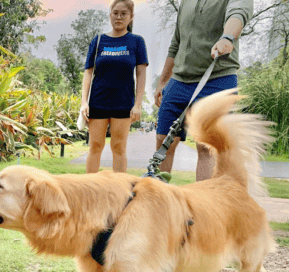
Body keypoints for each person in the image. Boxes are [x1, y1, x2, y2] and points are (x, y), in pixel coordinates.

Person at [154, 0, 253, 181]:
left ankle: (204, 206)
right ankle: (159, 201)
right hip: (179, 80)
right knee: (163, 140)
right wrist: (162, 82)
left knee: (207, 147)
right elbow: (176, 43)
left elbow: (238, 13)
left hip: (217, 78)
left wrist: (227, 37)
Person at [80, 0, 148, 173]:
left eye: (124, 13)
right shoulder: (99, 40)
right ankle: (90, 189)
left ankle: (119, 192)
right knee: (95, 146)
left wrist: (138, 104)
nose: (119, 17)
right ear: (110, 15)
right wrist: (84, 102)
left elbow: (141, 74)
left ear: (131, 17)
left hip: (123, 103)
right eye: (115, 13)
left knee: (118, 148)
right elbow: (88, 72)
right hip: (98, 102)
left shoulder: (137, 41)